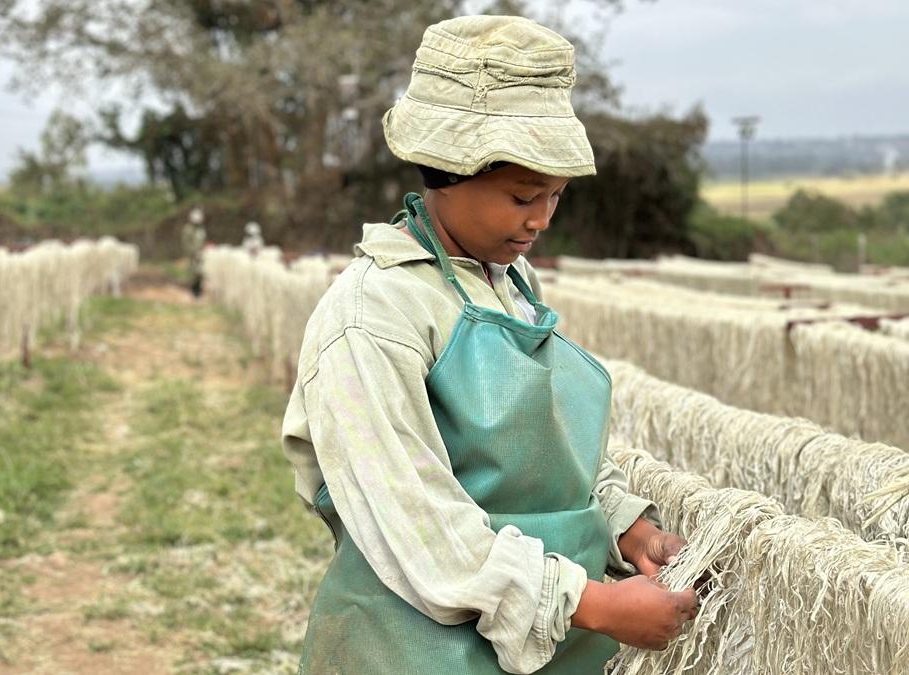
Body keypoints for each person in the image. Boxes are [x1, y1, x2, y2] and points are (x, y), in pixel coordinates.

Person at [281, 15, 698, 674]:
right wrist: (590, 602)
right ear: (447, 172)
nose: (541, 219)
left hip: (553, 639)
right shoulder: (371, 314)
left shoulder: (512, 283)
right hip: (415, 651)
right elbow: (414, 519)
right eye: (524, 195)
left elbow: (552, 449)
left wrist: (623, 525)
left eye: (556, 196)